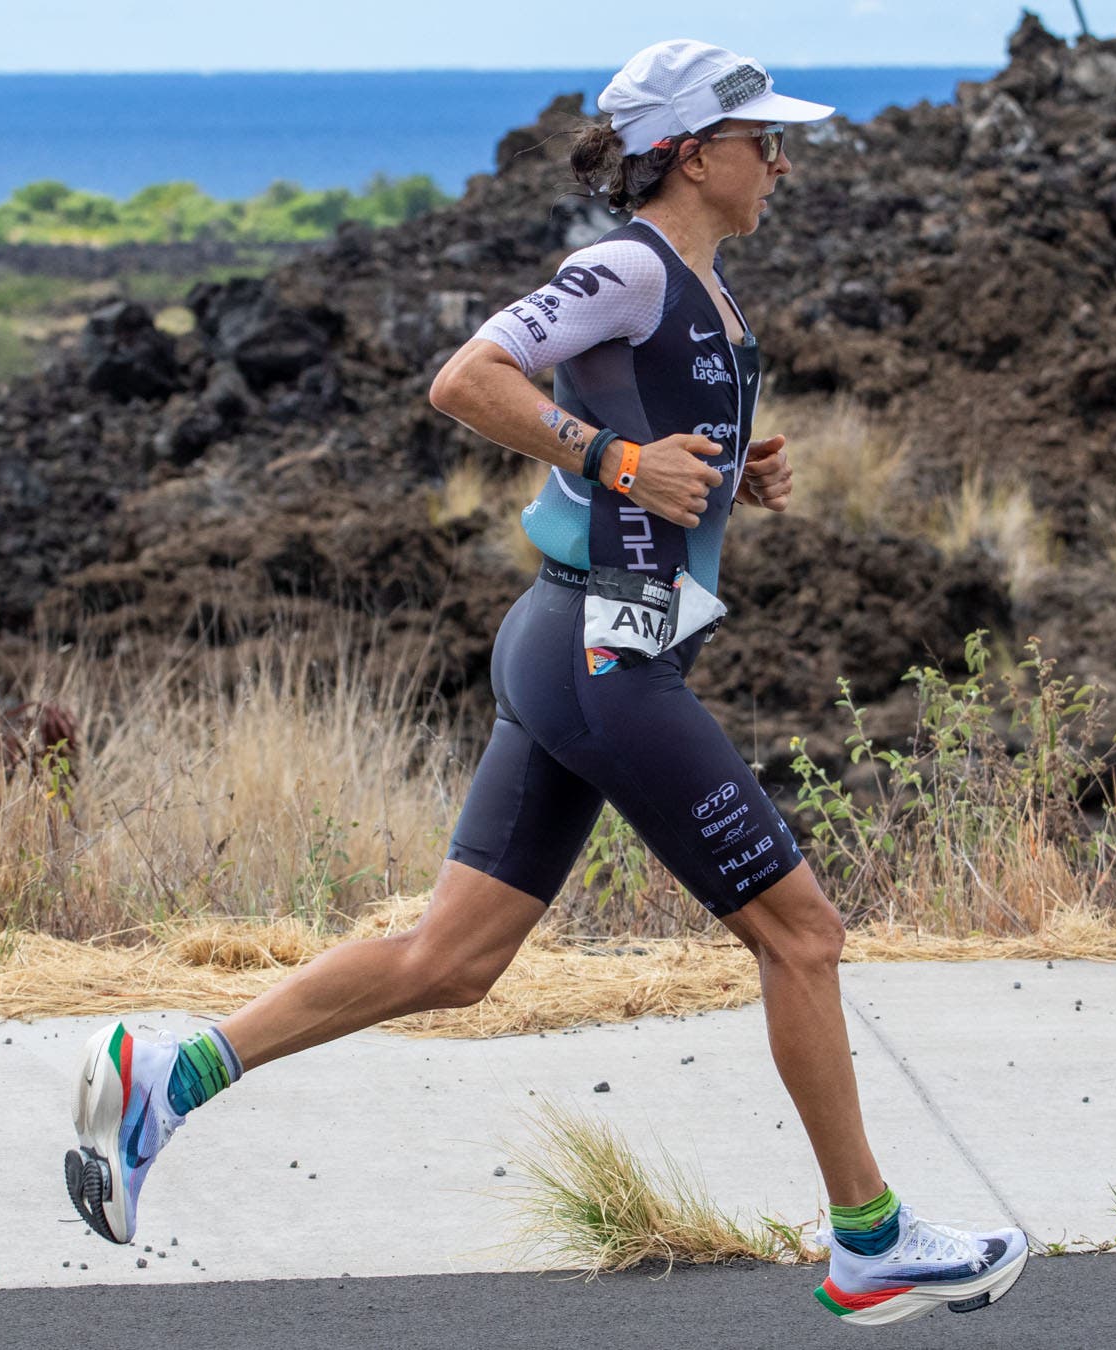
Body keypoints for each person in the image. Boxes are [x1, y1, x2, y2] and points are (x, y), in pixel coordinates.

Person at [64, 39, 1030, 1325]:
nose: (782, 161)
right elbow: (469, 379)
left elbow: (643, 429)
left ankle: (168, 1073)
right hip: (605, 658)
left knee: (453, 960)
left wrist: (729, 474)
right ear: (694, 153)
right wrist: (624, 463)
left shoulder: (700, 281)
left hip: (583, 643)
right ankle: (869, 1241)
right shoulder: (632, 263)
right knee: (802, 934)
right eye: (763, 141)